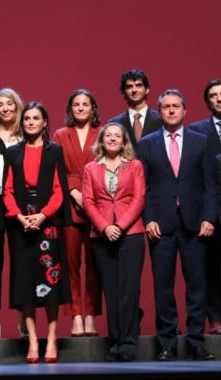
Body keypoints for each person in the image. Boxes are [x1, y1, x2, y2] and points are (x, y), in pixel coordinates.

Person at [137, 89, 216, 361]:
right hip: (161, 225)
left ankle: (195, 341)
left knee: (197, 286)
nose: (171, 111)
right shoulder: (147, 144)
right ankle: (167, 343)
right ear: (160, 112)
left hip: (195, 224)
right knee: (163, 287)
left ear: (185, 110)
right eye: (166, 107)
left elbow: (210, 184)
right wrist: (148, 219)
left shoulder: (200, 141)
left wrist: (209, 217)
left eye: (176, 106)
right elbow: (142, 187)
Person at [3, 102, 71, 363]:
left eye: (36, 118)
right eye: (27, 118)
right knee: (25, 283)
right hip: (21, 223)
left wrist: (42, 216)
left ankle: (52, 338)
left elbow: (59, 190)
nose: (31, 122)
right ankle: (32, 339)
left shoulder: (55, 151)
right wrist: (20, 217)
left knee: (50, 282)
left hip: (47, 222)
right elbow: (7, 190)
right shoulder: (13, 152)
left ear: (44, 122)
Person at [82, 122, 146, 362]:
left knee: (129, 290)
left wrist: (119, 226)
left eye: (117, 136)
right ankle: (116, 340)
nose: (112, 139)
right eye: (108, 135)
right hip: (101, 235)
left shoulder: (135, 166)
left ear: (123, 142)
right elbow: (88, 201)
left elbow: (139, 198)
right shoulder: (91, 168)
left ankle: (129, 343)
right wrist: (104, 227)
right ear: (101, 140)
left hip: (131, 234)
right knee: (112, 290)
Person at [52, 89, 102, 337]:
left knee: (94, 264)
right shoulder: (61, 135)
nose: (81, 108)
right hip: (69, 205)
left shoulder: (103, 133)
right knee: (71, 264)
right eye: (76, 105)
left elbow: (106, 166)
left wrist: (89, 196)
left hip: (98, 204)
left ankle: (91, 316)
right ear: (70, 109)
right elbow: (57, 168)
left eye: (85, 104)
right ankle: (76, 316)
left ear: (93, 108)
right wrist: (74, 191)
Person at [0, 88, 24, 339]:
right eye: (0, 104)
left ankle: (23, 320)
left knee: (22, 263)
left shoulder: (27, 132)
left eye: (9, 103)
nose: (5, 108)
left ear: (17, 106)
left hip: (21, 204)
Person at [188, 79, 221, 335]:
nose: (219, 99)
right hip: (212, 211)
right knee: (210, 268)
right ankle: (215, 320)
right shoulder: (198, 132)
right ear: (207, 102)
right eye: (213, 95)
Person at [107, 69, 161, 150]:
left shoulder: (161, 120)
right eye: (129, 87)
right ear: (123, 91)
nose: (134, 90)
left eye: (138, 85)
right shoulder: (114, 123)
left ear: (147, 89)